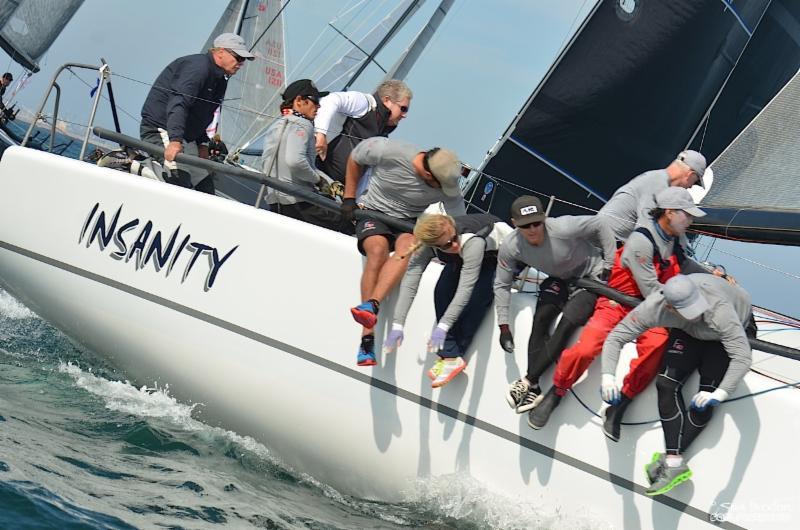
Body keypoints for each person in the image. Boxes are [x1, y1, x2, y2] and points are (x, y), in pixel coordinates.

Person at [527, 187, 709, 434]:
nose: (690, 221)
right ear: (669, 213)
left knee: (657, 346)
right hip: (616, 303)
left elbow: (684, 265)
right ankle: (556, 392)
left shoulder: (674, 242)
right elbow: (651, 289)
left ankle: (621, 403)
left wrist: (715, 277)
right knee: (587, 346)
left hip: (647, 310)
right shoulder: (641, 242)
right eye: (687, 215)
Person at [602, 273, 754, 496]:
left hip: (727, 329)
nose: (696, 313)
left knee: (705, 399)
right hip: (689, 331)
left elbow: (742, 357)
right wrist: (608, 376)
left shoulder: (717, 309)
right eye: (689, 310)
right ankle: (674, 463)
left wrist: (721, 393)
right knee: (665, 384)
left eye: (696, 307)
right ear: (670, 308)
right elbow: (616, 337)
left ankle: (671, 461)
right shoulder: (655, 307)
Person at [343, 138, 466, 366]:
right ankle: (367, 338)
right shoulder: (391, 151)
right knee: (378, 250)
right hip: (373, 212)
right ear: (429, 176)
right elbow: (355, 158)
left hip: (407, 224)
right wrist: (349, 198)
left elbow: (460, 222)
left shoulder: (445, 183)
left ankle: (371, 305)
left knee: (410, 246)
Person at [495, 195, 616, 414]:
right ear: (515, 224)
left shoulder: (563, 227)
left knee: (567, 323)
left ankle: (528, 379)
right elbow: (501, 284)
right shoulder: (511, 246)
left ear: (544, 219)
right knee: (541, 318)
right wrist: (503, 326)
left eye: (536, 223)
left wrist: (609, 263)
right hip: (561, 280)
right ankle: (534, 387)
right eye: (525, 226)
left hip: (591, 279)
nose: (532, 229)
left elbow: (601, 224)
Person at [385, 213, 513, 387]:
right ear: (432, 245)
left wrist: (443, 327)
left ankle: (453, 355)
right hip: (464, 257)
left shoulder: (468, 241)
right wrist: (398, 325)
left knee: (477, 299)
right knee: (442, 291)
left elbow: (465, 290)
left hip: (501, 256)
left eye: (454, 238)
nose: (454, 244)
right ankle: (450, 355)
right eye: (447, 244)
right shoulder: (426, 246)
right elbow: (410, 282)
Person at [140, 33, 254, 194]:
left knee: (205, 189)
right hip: (162, 130)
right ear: (220, 52)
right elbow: (179, 104)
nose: (240, 63)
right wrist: (175, 141)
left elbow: (203, 114)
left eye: (243, 60)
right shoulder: (197, 68)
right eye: (238, 57)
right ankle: (133, 163)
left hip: (185, 138)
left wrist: (202, 143)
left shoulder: (220, 79)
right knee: (179, 181)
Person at [261, 79, 341, 230]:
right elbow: (295, 161)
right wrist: (318, 181)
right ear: (299, 101)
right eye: (315, 101)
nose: (318, 106)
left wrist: (328, 181)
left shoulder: (276, 124)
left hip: (276, 203)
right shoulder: (303, 124)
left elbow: (266, 163)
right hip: (299, 203)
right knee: (349, 225)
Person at [314, 79, 412, 184]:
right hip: (318, 172)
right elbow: (331, 100)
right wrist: (321, 134)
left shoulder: (383, 135)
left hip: (337, 191)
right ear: (387, 100)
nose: (404, 115)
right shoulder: (365, 103)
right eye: (403, 109)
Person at [598, 150, 706, 242]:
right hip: (597, 250)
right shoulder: (658, 186)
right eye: (695, 182)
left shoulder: (655, 178)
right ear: (690, 175)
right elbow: (647, 231)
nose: (691, 187)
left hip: (601, 244)